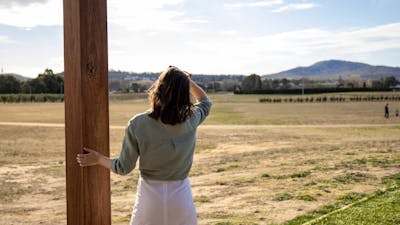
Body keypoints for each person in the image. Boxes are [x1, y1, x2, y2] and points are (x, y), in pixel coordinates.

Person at [76, 66, 212, 225]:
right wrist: (185, 79)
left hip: (149, 200)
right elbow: (205, 102)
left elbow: (123, 167)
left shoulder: (137, 124)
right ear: (185, 94)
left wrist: (98, 159)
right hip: (181, 200)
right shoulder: (192, 119)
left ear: (158, 89)